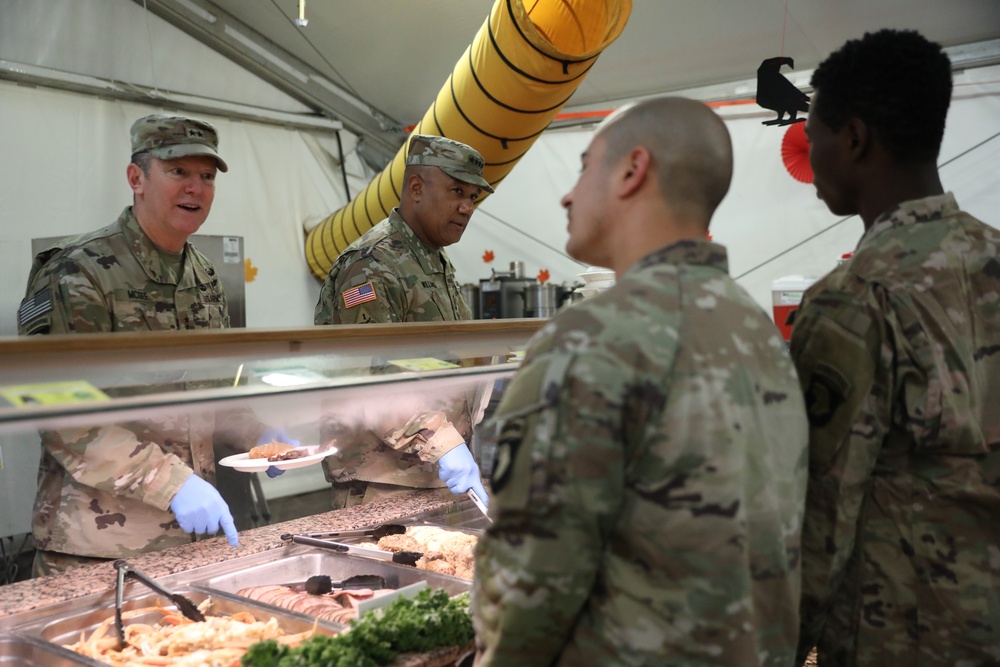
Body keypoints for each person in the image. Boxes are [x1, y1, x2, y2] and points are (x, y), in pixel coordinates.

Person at [472, 97, 809, 666]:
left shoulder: (593, 336)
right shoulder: (753, 326)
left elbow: (532, 581)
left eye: (583, 166)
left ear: (632, 170)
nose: (567, 193)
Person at [791, 30, 1000, 665]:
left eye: (813, 134)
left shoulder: (854, 299)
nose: (809, 153)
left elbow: (817, 515)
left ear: (853, 139)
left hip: (904, 635)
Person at [16, 114, 288, 576]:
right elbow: (58, 410)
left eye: (206, 176)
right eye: (178, 172)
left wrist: (260, 435)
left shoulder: (205, 275)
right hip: (98, 548)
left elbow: (212, 392)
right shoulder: (79, 270)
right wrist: (172, 484)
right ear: (135, 178)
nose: (195, 189)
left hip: (190, 541)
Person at [314, 134, 492, 509]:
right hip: (380, 483)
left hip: (431, 474)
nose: (466, 207)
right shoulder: (372, 264)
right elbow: (373, 383)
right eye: (457, 191)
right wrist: (445, 446)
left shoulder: (432, 260)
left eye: (472, 197)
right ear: (415, 187)